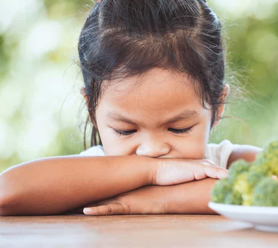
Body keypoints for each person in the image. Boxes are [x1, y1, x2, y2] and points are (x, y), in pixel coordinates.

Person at [0, 0, 262, 216]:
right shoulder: (90, 173)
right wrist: (153, 172)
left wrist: (163, 200)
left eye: (179, 128)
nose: (151, 150)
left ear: (217, 107)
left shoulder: (226, 163)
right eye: (125, 130)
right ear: (92, 110)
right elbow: (5, 193)